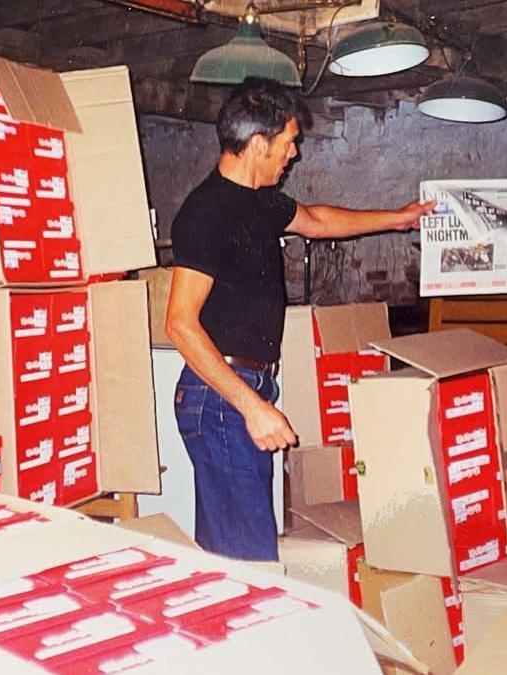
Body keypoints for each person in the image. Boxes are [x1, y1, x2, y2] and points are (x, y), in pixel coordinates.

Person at [164, 77, 434, 561]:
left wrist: (398, 218)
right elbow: (180, 324)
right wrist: (252, 406)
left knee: (237, 550)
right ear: (258, 144)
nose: (294, 153)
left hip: (239, 390)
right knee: (248, 556)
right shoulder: (206, 213)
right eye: (288, 142)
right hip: (222, 397)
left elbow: (318, 221)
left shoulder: (259, 199)